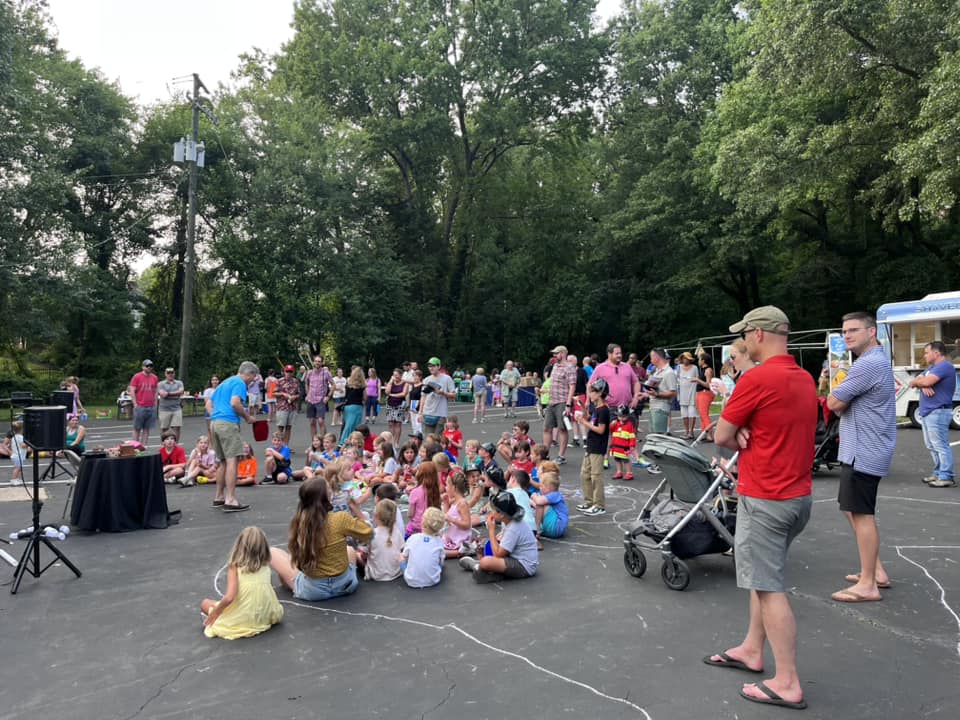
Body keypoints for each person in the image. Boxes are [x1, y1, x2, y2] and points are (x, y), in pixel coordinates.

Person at [709, 305, 816, 711]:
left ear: (757, 334)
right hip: (797, 497)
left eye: (745, 335)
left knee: (769, 588)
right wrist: (748, 428)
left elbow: (722, 434)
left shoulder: (756, 379)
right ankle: (753, 648)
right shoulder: (804, 377)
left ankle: (787, 680)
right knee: (762, 576)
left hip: (766, 497)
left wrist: (740, 431)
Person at [826, 311, 897, 602]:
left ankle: (869, 584)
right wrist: (843, 403)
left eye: (854, 329)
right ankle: (875, 571)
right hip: (862, 448)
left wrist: (842, 403)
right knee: (851, 509)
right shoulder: (872, 362)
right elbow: (840, 403)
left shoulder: (868, 364)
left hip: (864, 451)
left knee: (862, 514)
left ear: (872, 332)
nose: (847, 335)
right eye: (844, 331)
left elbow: (833, 402)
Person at [270, 476, 373, 600]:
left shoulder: (299, 523)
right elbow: (368, 532)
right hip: (345, 585)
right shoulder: (340, 519)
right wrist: (358, 513)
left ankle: (293, 583)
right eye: (329, 488)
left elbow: (297, 559)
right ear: (327, 497)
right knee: (349, 550)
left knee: (273, 552)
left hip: (314, 591)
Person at [201, 527, 283, 639]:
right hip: (265, 613)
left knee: (205, 603)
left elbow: (229, 597)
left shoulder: (235, 566)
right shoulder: (265, 565)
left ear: (240, 545)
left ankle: (217, 617)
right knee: (220, 604)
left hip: (244, 616)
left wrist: (216, 612)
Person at [207, 361, 259, 512]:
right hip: (228, 424)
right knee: (232, 461)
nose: (252, 381)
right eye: (253, 377)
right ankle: (230, 498)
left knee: (222, 461)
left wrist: (216, 416)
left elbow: (208, 404)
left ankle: (219, 497)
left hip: (215, 423)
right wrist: (247, 417)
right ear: (248, 373)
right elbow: (235, 403)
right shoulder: (239, 383)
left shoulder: (224, 383)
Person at [458, 492, 538, 584]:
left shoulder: (513, 528)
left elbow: (498, 554)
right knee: (487, 549)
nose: (491, 513)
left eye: (493, 510)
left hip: (524, 566)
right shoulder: (508, 521)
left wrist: (491, 530)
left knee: (486, 562)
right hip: (515, 558)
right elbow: (502, 544)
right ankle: (483, 567)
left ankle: (481, 567)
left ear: (501, 514)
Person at [909, 341, 956, 488]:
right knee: (931, 445)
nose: (925, 355)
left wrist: (923, 383)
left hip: (938, 411)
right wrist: (922, 385)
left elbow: (927, 381)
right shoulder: (931, 368)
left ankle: (946, 476)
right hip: (929, 412)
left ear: (936, 353)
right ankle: (938, 473)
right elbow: (913, 382)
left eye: (926, 352)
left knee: (940, 445)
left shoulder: (945, 366)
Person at [576, 378, 611, 516]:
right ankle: (589, 501)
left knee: (596, 476)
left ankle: (599, 505)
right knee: (585, 474)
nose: (590, 394)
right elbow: (590, 418)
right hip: (591, 446)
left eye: (593, 392)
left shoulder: (604, 410)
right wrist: (583, 408)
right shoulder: (596, 408)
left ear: (600, 393)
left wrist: (584, 422)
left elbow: (601, 429)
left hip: (598, 447)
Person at [542, 345, 577, 464]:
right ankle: (545, 454)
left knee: (562, 429)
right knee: (547, 428)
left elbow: (572, 386)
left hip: (562, 401)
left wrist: (568, 404)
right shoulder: (555, 366)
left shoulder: (570, 367)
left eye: (556, 353)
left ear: (562, 353)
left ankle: (561, 456)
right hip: (551, 401)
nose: (554, 356)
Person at [401, 507, 446, 588]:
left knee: (401, 557)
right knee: (440, 561)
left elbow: (405, 556)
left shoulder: (413, 538)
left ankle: (412, 571)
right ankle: (431, 571)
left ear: (422, 522)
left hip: (411, 581)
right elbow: (441, 561)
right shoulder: (439, 541)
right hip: (433, 580)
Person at [365, 498, 405, 581]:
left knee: (358, 555)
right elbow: (402, 549)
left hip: (376, 574)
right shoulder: (396, 531)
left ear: (376, 516)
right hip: (395, 572)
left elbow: (365, 553)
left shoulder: (372, 533)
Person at [418, 357, 456, 438]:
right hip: (427, 412)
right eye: (429, 366)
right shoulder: (426, 380)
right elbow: (423, 397)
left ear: (439, 366)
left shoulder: (447, 378)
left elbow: (454, 395)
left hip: (440, 413)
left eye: (433, 366)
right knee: (428, 439)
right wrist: (420, 413)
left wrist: (442, 393)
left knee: (438, 438)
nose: (431, 368)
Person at [642, 349, 677, 434]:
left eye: (651, 357)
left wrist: (657, 394)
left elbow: (673, 393)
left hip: (661, 407)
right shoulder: (656, 371)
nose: (650, 360)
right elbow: (656, 388)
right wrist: (645, 394)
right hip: (654, 406)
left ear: (656, 357)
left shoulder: (669, 372)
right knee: (654, 435)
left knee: (659, 436)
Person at [127, 359, 158, 447]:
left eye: (150, 366)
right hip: (140, 405)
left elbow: (155, 391)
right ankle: (134, 446)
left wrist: (155, 403)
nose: (149, 367)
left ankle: (144, 446)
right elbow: (132, 390)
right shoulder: (137, 376)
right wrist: (135, 404)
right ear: (143, 367)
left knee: (146, 428)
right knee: (137, 428)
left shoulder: (154, 377)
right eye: (147, 366)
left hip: (151, 406)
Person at [531, 471, 568, 539]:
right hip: (553, 528)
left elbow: (539, 502)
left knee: (540, 504)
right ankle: (537, 528)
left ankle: (537, 528)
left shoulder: (555, 495)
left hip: (556, 526)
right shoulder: (548, 495)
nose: (540, 488)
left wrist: (533, 496)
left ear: (548, 488)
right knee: (537, 505)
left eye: (541, 486)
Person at [304, 356, 333, 439]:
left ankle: (325, 441)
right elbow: (306, 383)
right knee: (312, 422)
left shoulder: (326, 372)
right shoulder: (309, 372)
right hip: (311, 399)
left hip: (320, 399)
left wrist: (328, 396)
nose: (317, 363)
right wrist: (307, 394)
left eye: (319, 361)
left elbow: (333, 385)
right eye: (316, 361)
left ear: (322, 363)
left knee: (320, 421)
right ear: (313, 362)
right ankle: (315, 442)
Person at [338, 367, 366, 447]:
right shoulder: (362, 386)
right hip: (356, 407)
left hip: (347, 407)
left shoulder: (348, 384)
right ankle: (344, 443)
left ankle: (344, 442)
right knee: (354, 426)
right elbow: (365, 398)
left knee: (347, 425)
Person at [692, 353, 717, 439]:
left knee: (704, 414)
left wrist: (697, 380)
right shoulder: (702, 369)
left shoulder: (708, 370)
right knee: (702, 414)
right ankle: (704, 432)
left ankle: (710, 433)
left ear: (703, 361)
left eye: (699, 359)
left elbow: (708, 385)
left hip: (705, 393)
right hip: (700, 393)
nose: (698, 361)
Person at [675, 352, 699, 439]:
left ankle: (691, 432)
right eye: (684, 358)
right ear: (682, 359)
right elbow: (676, 379)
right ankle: (686, 431)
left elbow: (697, 378)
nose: (686, 360)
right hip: (682, 392)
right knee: (684, 413)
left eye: (687, 359)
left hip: (692, 392)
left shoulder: (695, 368)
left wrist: (694, 381)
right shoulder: (679, 367)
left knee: (692, 413)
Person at [157, 367, 185, 441]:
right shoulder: (160, 384)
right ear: (165, 374)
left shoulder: (179, 383)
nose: (170, 374)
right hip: (164, 409)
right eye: (168, 373)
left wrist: (168, 394)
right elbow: (163, 394)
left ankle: (175, 445)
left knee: (177, 427)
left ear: (174, 374)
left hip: (177, 408)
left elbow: (181, 392)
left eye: (172, 373)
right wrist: (175, 394)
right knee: (164, 428)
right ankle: (164, 444)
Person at [275, 365, 300, 446]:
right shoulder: (279, 381)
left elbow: (299, 394)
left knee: (289, 427)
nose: (288, 373)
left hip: (292, 407)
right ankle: (278, 445)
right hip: (282, 407)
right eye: (287, 371)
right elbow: (273, 393)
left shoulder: (296, 381)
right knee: (280, 427)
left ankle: (286, 446)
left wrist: (294, 397)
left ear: (293, 372)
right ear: (284, 372)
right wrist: (283, 394)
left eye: (290, 371)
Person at [609, 405, 636, 481]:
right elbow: (611, 430)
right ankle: (619, 472)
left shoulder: (629, 425)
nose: (621, 418)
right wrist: (612, 424)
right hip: (616, 446)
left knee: (625, 460)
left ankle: (629, 473)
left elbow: (632, 436)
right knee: (617, 459)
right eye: (619, 416)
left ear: (627, 416)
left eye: (623, 416)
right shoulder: (615, 423)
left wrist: (632, 445)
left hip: (624, 447)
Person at [384, 368, 409, 445]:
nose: (395, 377)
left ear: (401, 375)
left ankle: (396, 441)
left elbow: (403, 393)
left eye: (397, 375)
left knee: (398, 423)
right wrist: (391, 381)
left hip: (400, 404)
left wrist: (392, 395)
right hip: (390, 404)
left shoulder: (405, 383)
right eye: (394, 375)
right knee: (391, 423)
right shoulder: (391, 382)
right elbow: (387, 392)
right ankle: (391, 441)